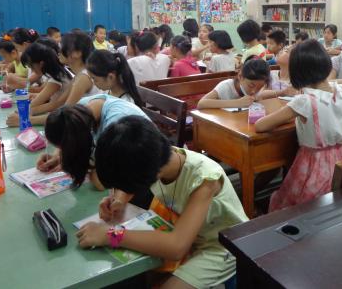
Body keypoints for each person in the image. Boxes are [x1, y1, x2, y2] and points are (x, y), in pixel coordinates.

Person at [75, 116, 248, 289]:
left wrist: (110, 235)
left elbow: (176, 247)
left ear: (150, 175)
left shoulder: (204, 179)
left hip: (222, 246)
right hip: (185, 232)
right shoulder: (155, 158)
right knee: (144, 273)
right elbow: (131, 183)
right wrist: (118, 200)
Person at [255, 40, 342, 211]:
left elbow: (260, 126)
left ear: (297, 72)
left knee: (301, 205)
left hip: (313, 163)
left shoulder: (305, 101)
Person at [38, 95, 149, 191]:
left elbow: (100, 183)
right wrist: (58, 156)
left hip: (142, 177)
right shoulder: (80, 113)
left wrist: (74, 160)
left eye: (65, 147)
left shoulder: (115, 127)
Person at [6, 39, 73, 126]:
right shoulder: (57, 73)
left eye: (31, 67)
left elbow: (54, 104)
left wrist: (24, 115)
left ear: (41, 64)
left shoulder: (57, 78)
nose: (32, 70)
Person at [197, 58, 270, 109]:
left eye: (259, 88)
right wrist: (237, 103)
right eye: (251, 86)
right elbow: (201, 103)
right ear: (240, 76)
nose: (254, 91)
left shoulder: (255, 89)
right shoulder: (226, 86)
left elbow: (262, 95)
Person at [59, 31, 100, 104]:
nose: (59, 51)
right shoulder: (82, 74)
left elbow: (66, 109)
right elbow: (59, 103)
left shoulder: (83, 77)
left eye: (62, 48)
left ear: (77, 53)